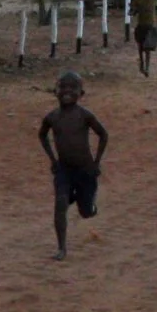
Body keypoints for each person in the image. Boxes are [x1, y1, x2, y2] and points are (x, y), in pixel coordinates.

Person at [38, 70, 109, 261]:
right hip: (64, 169)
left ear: (81, 93)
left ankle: (89, 205)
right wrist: (53, 160)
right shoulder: (52, 117)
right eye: (63, 86)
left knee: (85, 212)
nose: (67, 91)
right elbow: (42, 135)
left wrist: (96, 162)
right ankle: (62, 248)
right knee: (60, 203)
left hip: (85, 170)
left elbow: (103, 135)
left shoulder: (85, 115)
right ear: (55, 91)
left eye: (73, 87)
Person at [132, 0, 157, 75]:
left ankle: (147, 67)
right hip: (141, 25)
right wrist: (133, 11)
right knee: (140, 47)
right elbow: (133, 11)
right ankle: (141, 64)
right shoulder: (138, 0)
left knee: (147, 48)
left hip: (150, 26)